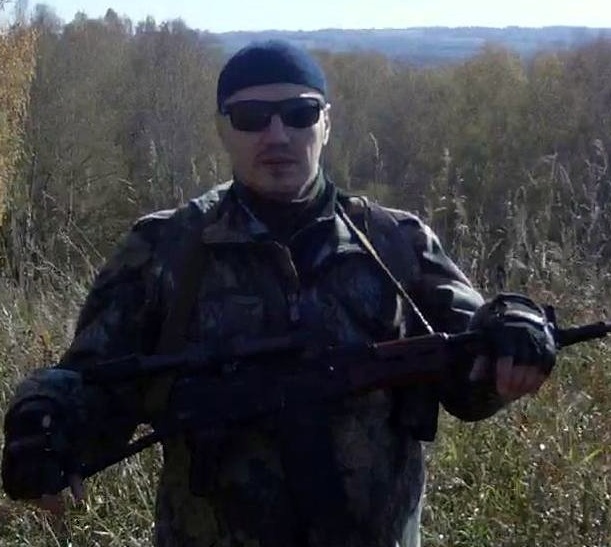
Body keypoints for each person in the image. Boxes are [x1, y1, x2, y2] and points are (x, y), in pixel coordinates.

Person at [1, 40, 555, 547]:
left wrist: (517, 333)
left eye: (299, 113)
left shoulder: (397, 241)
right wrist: (45, 424)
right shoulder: (165, 248)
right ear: (223, 129)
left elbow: (474, 361)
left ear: (326, 124)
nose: (277, 135)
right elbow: (91, 383)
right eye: (251, 117)